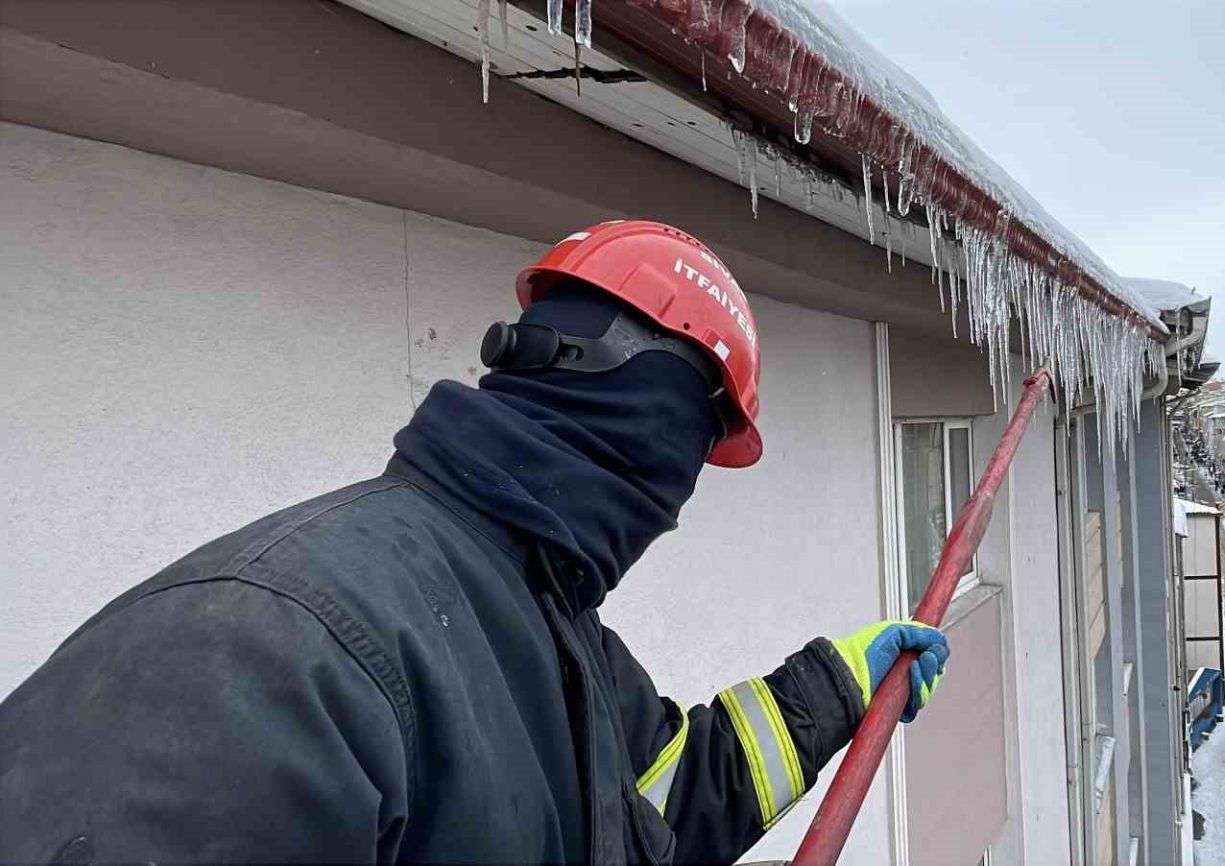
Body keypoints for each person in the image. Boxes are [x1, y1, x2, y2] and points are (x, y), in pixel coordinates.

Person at [0, 221, 950, 864]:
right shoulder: (265, 651)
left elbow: (665, 801)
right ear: (653, 417)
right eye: (698, 450)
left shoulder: (554, 631)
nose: (680, 498)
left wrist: (840, 684)